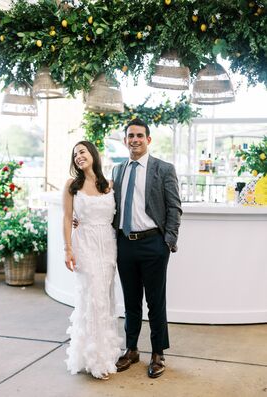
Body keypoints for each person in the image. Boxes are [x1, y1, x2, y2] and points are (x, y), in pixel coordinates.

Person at [112, 118, 182, 378]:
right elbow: (112, 205)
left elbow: (174, 207)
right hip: (124, 244)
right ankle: (131, 349)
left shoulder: (163, 169)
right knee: (130, 302)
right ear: (125, 140)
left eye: (140, 136)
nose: (135, 140)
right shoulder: (118, 170)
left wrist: (168, 241)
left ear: (148, 140)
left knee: (155, 302)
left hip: (154, 244)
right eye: (131, 136)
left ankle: (157, 353)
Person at [62, 140, 122, 380]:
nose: (79, 156)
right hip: (84, 243)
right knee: (92, 297)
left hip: (107, 245)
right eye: (75, 154)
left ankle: (104, 354)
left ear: (93, 154)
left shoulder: (110, 184)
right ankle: (96, 361)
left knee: (104, 299)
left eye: (82, 151)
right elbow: (67, 218)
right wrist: (67, 249)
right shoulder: (71, 185)